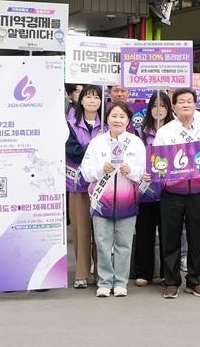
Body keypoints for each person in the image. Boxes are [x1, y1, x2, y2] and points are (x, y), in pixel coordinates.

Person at [154, 88, 200, 299]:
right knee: (170, 237)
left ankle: (195, 281)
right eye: (181, 101)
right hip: (172, 192)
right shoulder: (165, 132)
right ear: (173, 106)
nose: (186, 104)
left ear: (195, 105)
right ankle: (171, 281)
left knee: (196, 238)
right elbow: (157, 162)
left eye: (190, 101)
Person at [81, 101, 146, 297]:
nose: (117, 120)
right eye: (114, 116)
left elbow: (144, 172)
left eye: (122, 116)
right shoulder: (97, 142)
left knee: (124, 244)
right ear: (107, 118)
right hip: (101, 202)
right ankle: (104, 281)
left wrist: (131, 171)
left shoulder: (135, 142)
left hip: (127, 200)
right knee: (102, 243)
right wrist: (101, 169)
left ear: (128, 120)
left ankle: (120, 282)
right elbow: (85, 172)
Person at [66, 84, 105, 288]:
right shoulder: (69, 123)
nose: (92, 101)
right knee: (81, 230)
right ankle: (81, 273)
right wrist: (95, 145)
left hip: (102, 184)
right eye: (88, 97)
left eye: (97, 97)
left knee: (102, 230)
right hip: (78, 184)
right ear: (80, 100)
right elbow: (73, 151)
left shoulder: (107, 123)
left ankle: (102, 272)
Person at [131, 89, 170, 287]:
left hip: (168, 190)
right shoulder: (140, 131)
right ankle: (143, 272)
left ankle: (166, 272)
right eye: (155, 105)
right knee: (144, 231)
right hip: (145, 190)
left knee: (167, 233)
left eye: (162, 105)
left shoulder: (174, 130)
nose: (158, 109)